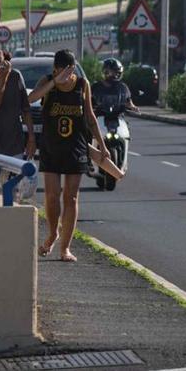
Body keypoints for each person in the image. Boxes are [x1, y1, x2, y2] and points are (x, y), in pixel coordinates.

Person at [27, 50, 115, 262]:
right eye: (62, 70)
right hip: (51, 145)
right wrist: (54, 82)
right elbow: (31, 98)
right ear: (55, 69)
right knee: (51, 195)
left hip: (75, 146)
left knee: (71, 197)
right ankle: (52, 233)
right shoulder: (47, 80)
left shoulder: (82, 84)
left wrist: (102, 145)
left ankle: (65, 247)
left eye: (70, 70)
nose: (67, 75)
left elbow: (90, 116)